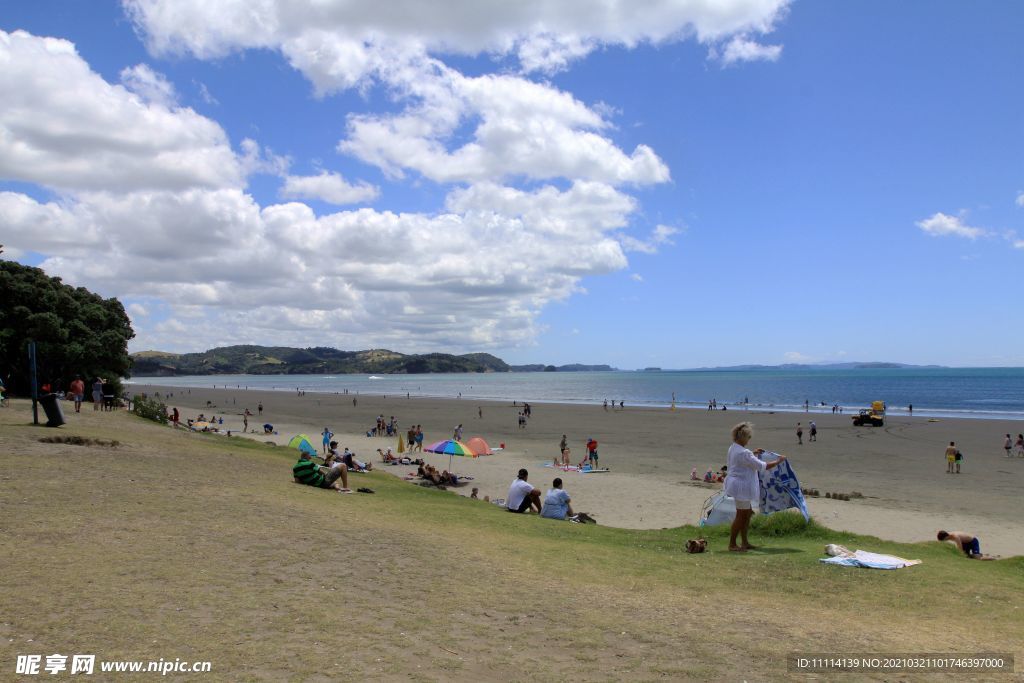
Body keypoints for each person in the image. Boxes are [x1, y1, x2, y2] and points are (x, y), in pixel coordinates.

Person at [724, 422, 786, 552]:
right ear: (742, 437)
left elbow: (743, 459)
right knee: (741, 515)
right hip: (741, 486)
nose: (749, 440)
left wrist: (753, 453)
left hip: (737, 484)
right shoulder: (744, 452)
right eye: (748, 437)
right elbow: (763, 466)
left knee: (746, 514)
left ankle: (744, 542)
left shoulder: (734, 448)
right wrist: (778, 461)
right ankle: (732, 544)